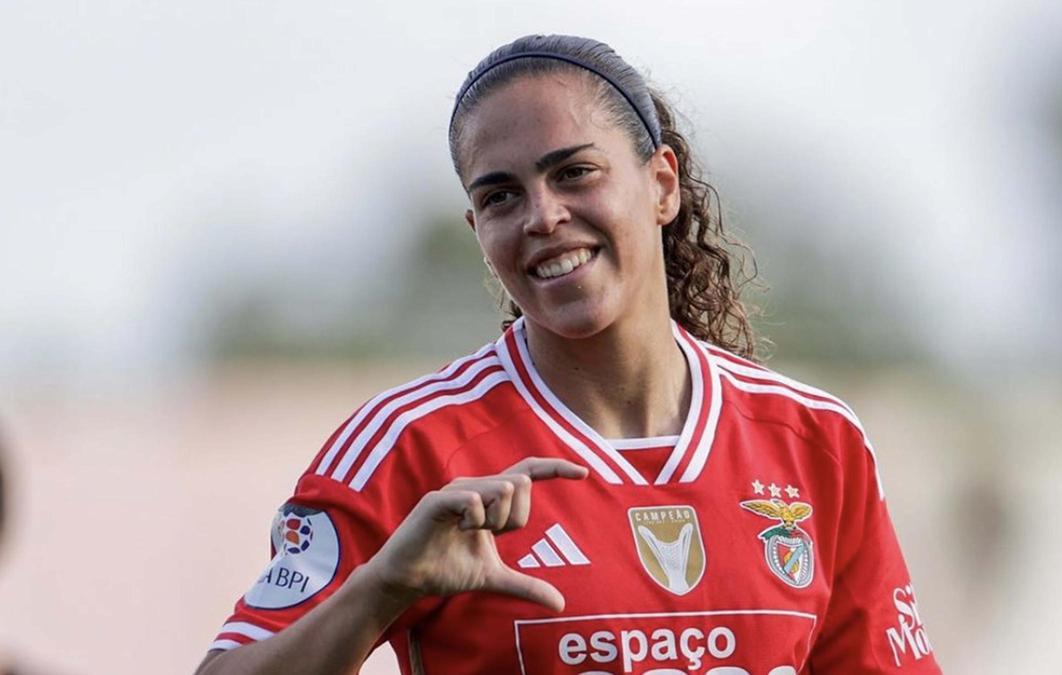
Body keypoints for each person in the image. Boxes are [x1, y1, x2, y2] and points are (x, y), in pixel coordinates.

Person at [196, 34, 941, 674]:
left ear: (662, 184)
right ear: (476, 227)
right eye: (500, 197)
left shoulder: (815, 440)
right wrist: (382, 587)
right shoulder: (410, 446)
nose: (543, 217)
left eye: (574, 173)